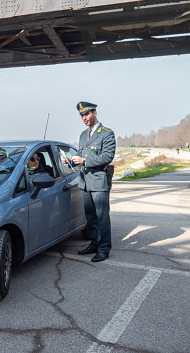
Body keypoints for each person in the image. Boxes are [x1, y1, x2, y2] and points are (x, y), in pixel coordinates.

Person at [67, 101, 116, 262]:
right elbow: (80, 155)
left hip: (99, 181)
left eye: (86, 114)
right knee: (91, 217)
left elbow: (107, 157)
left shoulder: (107, 133)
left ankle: (104, 249)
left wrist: (84, 160)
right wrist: (71, 161)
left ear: (94, 113)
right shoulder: (82, 135)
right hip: (85, 182)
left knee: (102, 217)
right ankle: (94, 244)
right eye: (81, 115)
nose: (84, 118)